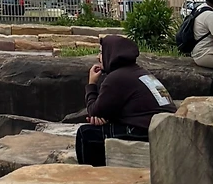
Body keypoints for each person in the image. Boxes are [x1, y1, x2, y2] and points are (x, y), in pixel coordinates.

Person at [75, 33, 176, 165]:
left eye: (101, 52)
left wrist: (91, 84)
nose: (98, 57)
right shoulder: (141, 72)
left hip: (145, 131)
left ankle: (93, 175)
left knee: (86, 134)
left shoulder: (116, 78)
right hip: (163, 127)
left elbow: (94, 110)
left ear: (111, 53)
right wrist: (102, 116)